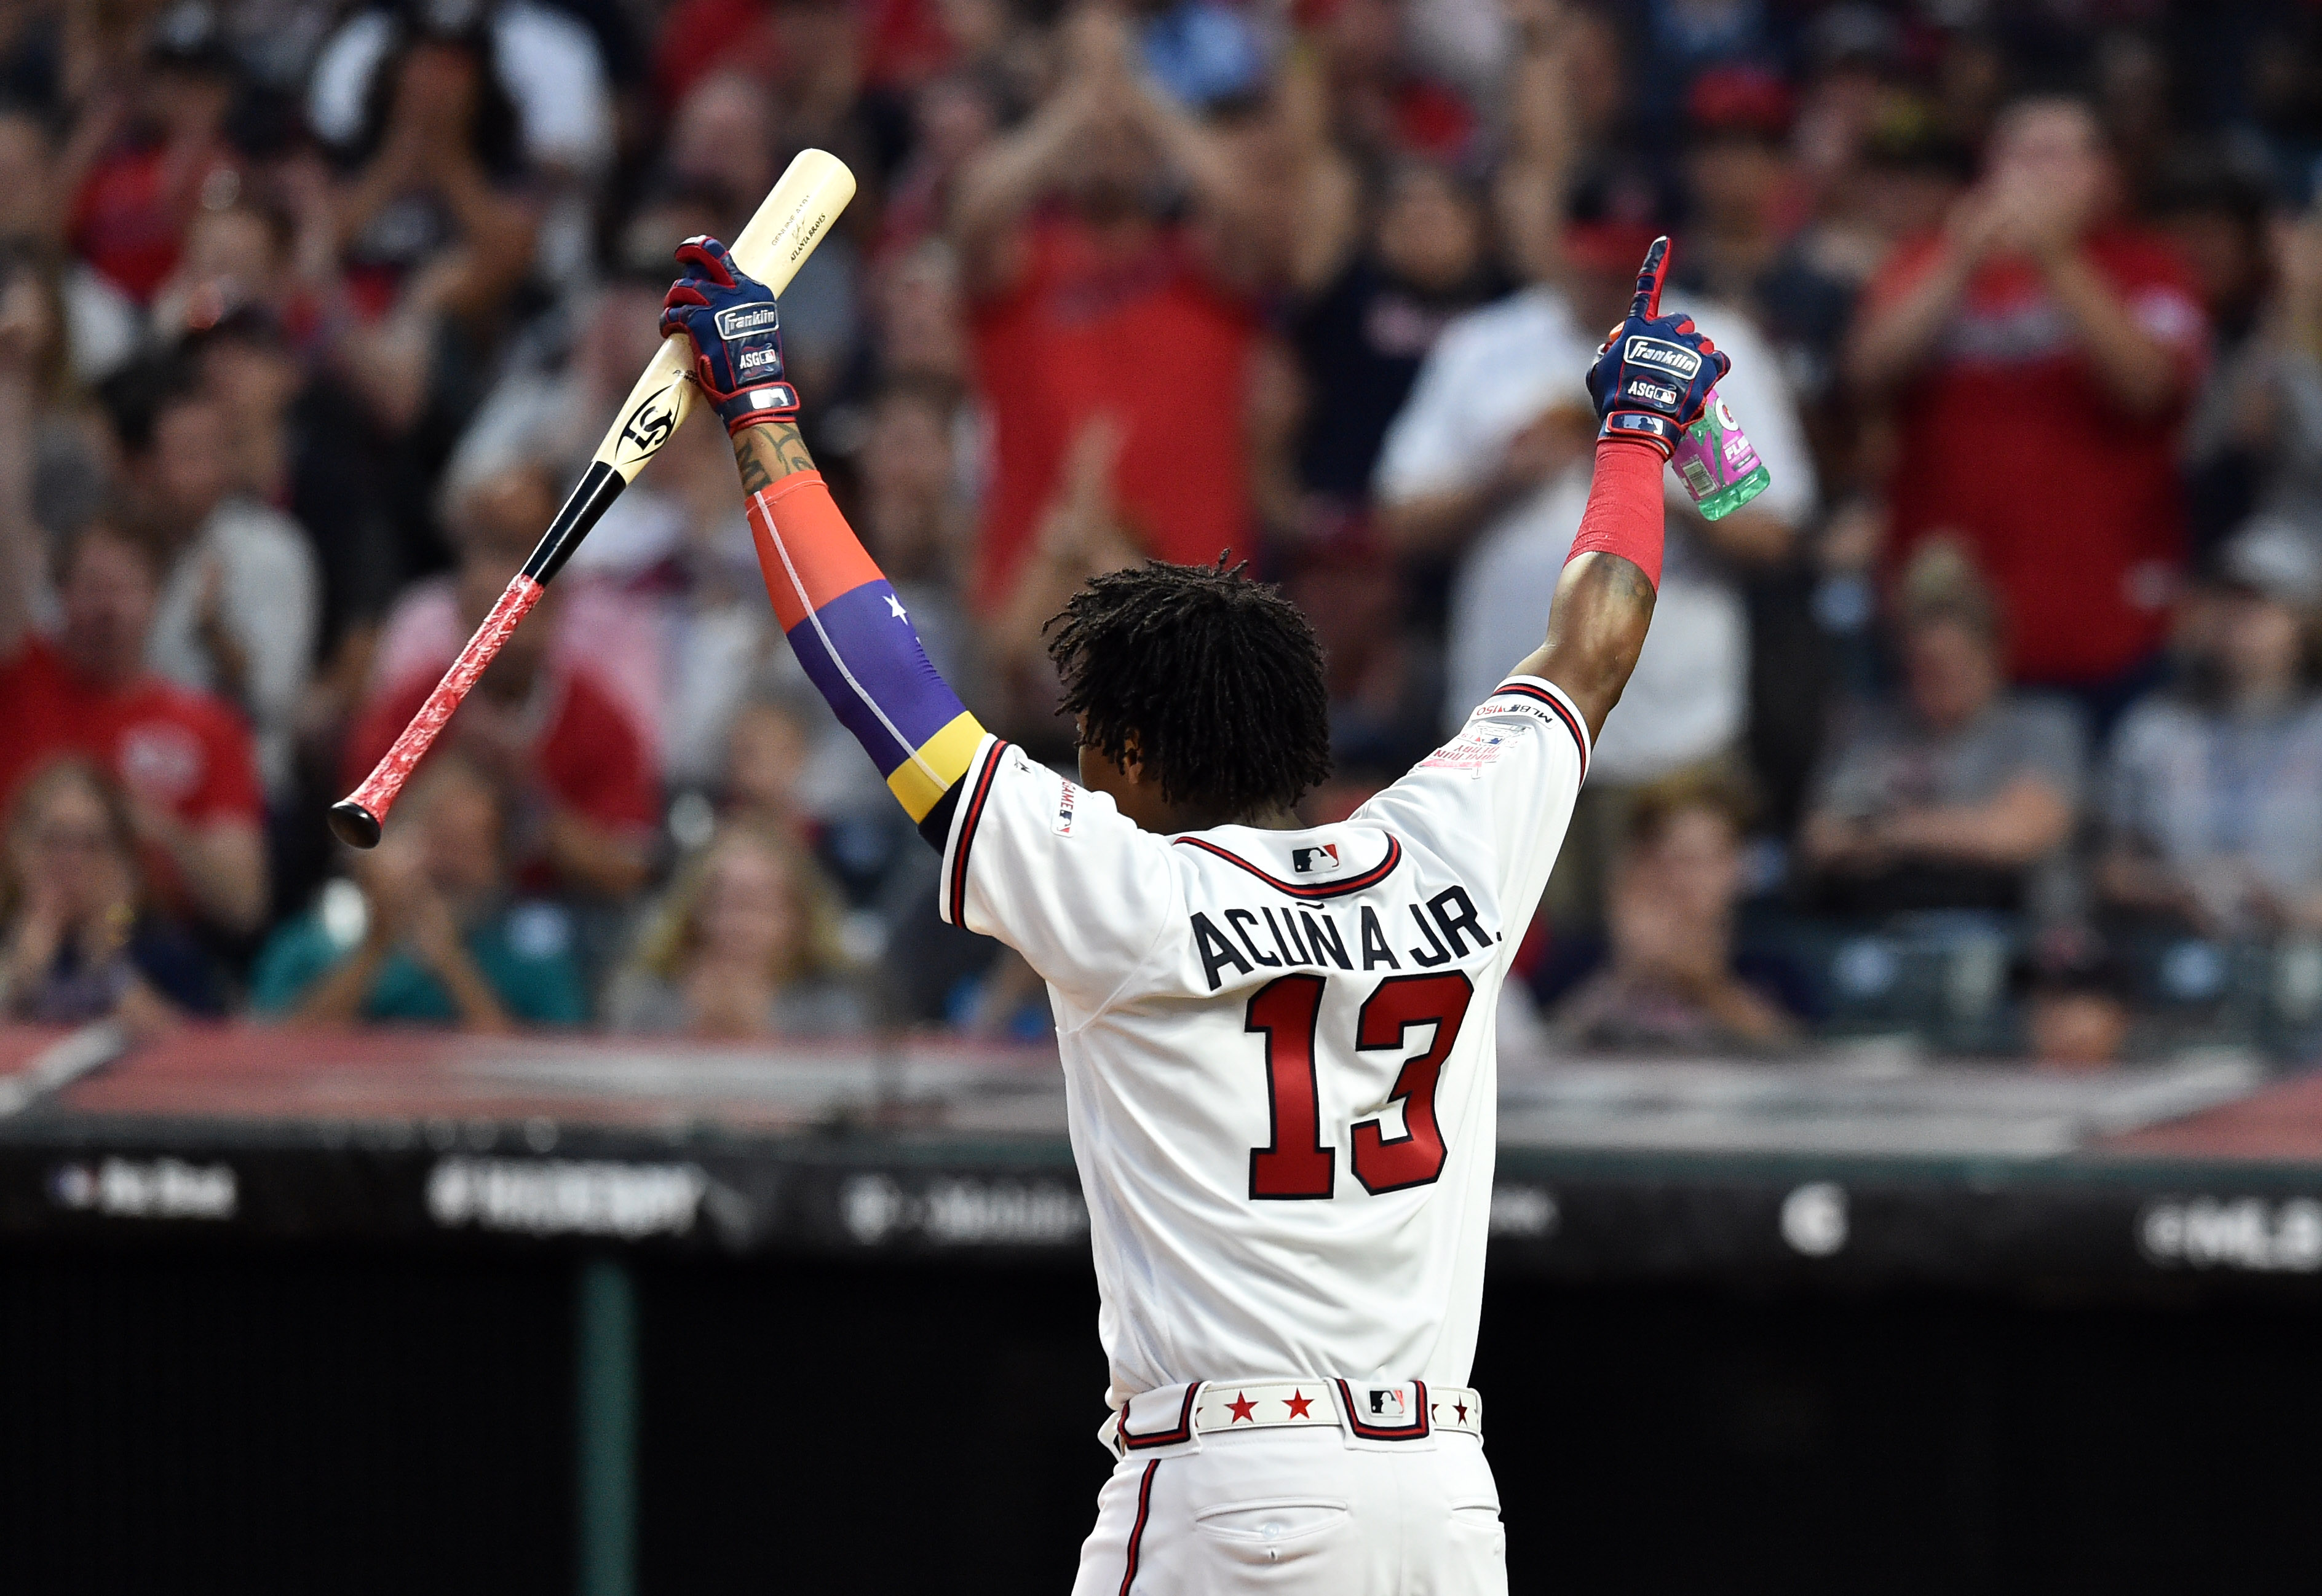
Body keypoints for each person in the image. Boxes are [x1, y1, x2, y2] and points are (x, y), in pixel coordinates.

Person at [657, 218, 1721, 1589]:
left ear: (1143, 754)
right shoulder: (1453, 841)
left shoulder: (1119, 886)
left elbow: (880, 678)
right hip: (1444, 1503)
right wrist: (1635, 434)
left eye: (1093, 735)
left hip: (1236, 1491)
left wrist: (760, 415)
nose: (1079, 761)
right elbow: (1597, 640)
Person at [1847, 96, 2208, 725]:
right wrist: (1957, 262)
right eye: (2018, 154)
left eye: (2057, 155)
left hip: (2102, 623)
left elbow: (2147, 387)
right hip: (1949, 634)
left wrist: (2054, 258)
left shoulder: (2148, 268)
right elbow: (1867, 374)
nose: (2033, 174)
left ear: (2105, 174)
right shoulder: (1924, 260)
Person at [0, 516, 267, 940]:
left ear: (158, 596)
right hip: (15, 924)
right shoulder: (15, 683)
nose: (108, 608)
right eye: (92, 588)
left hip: (138, 934)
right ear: (60, 594)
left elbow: (244, 902)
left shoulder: (208, 729)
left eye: (126, 589)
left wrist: (154, 828)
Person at [1799, 546, 2084, 920]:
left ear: (1994, 655)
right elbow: (1820, 838)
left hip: (2010, 934)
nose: (1942, 681)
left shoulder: (2040, 727)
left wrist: (1892, 833)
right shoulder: (1870, 731)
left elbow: (2019, 835)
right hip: (1884, 926)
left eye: (1957, 666)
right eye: (1927, 667)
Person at [2098, 520, 2322, 939]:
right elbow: (2112, 869)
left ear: (2305, 620)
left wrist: (2287, 908)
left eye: (2261, 602)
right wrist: (2178, 889)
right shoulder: (2156, 726)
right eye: (2228, 599)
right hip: (2179, 956)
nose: (2241, 616)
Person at [252, 756, 585, 1030]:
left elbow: (545, 1078)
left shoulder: (533, 961)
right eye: (436, 838)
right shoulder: (310, 944)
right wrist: (376, 947)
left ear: (500, 866)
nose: (446, 864)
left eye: (467, 847)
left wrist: (451, 965)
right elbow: (274, 1054)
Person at [1545, 775, 1804, 1053]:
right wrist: (1628, 970)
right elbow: (1540, 1049)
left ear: (1735, 868)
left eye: (1695, 862)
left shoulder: (1774, 962)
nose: (1677, 879)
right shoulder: (1576, 960)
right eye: (1661, 859)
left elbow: (1802, 1055)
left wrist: (1709, 986)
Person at [0, 758, 223, 1030]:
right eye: (53, 841)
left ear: (124, 859)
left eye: (91, 844)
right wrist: (16, 977)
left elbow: (203, 1049)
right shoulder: (6, 929)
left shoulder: (156, 942)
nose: (70, 861)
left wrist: (111, 964)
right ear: (18, 848)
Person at [606, 821, 865, 1038]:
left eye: (758, 906)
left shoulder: (831, 1009)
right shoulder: (647, 1001)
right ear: (693, 914)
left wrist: (758, 1027)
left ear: (800, 919)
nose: (740, 927)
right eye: (725, 905)